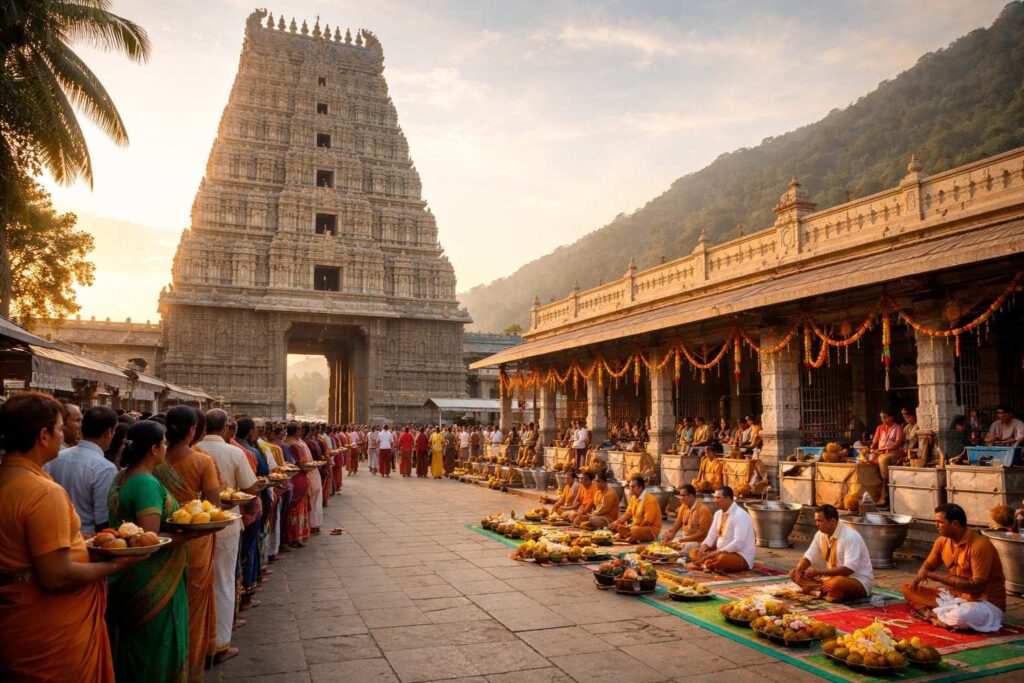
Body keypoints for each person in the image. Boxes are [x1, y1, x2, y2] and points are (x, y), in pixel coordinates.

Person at [0, 392, 137, 682]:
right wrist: (117, 565)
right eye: (61, 429)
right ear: (43, 436)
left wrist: (83, 542)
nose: (65, 435)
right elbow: (55, 575)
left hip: (17, 619)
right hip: (48, 626)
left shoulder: (13, 478)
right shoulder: (42, 491)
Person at [107, 420, 192, 682]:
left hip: (129, 577)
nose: (166, 448)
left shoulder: (121, 475)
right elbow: (149, 540)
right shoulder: (145, 483)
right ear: (154, 449)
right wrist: (195, 532)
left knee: (136, 647)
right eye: (164, 443)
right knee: (155, 648)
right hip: (152, 578)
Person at [154, 406, 222, 676]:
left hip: (159, 539)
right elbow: (214, 505)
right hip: (193, 539)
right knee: (193, 608)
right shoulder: (202, 461)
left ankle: (163, 667)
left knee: (164, 608)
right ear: (193, 430)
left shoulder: (152, 460)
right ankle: (190, 669)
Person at [198, 409, 257, 660]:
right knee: (222, 582)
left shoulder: (188, 452)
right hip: (225, 524)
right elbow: (251, 486)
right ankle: (220, 643)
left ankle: (197, 642)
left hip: (187, 528)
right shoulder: (235, 453)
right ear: (224, 429)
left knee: (197, 584)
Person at [903, 504, 1006, 632]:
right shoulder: (942, 541)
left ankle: (933, 615)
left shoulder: (980, 545)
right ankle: (937, 616)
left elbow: (977, 586)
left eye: (940, 522)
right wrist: (916, 582)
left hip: (984, 603)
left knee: (960, 615)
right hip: (954, 598)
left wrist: (940, 578)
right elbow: (928, 566)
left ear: (955, 524)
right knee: (907, 589)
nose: (936, 525)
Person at [44, 405, 118, 537]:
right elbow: (103, 519)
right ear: (108, 433)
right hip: (85, 540)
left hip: (53, 533)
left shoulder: (56, 456)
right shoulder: (105, 468)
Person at [790, 504, 873, 603]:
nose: (817, 524)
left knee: (834, 585)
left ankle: (819, 590)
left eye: (820, 521)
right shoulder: (820, 535)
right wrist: (800, 569)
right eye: (816, 521)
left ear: (832, 521)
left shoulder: (850, 536)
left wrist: (819, 572)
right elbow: (809, 556)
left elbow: (849, 569)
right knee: (794, 573)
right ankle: (820, 591)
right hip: (831, 578)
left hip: (856, 580)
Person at [688, 486, 755, 572]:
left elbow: (739, 542)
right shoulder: (718, 514)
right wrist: (703, 547)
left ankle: (708, 564)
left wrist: (717, 553)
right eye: (715, 498)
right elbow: (712, 534)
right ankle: (705, 565)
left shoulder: (740, 515)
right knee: (694, 552)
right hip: (719, 551)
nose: (715, 501)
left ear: (728, 498)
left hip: (740, 555)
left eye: (718, 498)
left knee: (722, 559)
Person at [659, 484, 712, 555]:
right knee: (669, 542)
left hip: (698, 541)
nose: (681, 498)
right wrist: (670, 534)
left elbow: (702, 533)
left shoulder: (703, 509)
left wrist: (683, 540)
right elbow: (676, 525)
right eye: (680, 495)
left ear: (691, 496)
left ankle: (679, 553)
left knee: (688, 547)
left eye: (684, 496)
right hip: (684, 537)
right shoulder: (683, 507)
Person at [609, 475, 662, 543]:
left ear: (641, 487)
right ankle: (625, 537)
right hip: (635, 527)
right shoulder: (633, 498)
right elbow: (627, 515)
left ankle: (624, 538)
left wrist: (631, 526)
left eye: (633, 487)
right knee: (618, 527)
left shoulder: (650, 500)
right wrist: (615, 523)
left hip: (650, 530)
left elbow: (647, 521)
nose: (631, 489)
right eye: (630, 486)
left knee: (634, 531)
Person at [868, 410, 904, 506]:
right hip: (880, 452)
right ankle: (873, 493)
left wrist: (885, 449)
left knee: (882, 459)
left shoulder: (898, 428)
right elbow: (875, 442)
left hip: (894, 453)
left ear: (891, 417)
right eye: (882, 417)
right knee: (869, 459)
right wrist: (872, 449)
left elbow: (897, 443)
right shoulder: (879, 428)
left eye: (885, 417)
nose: (883, 420)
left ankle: (885, 494)